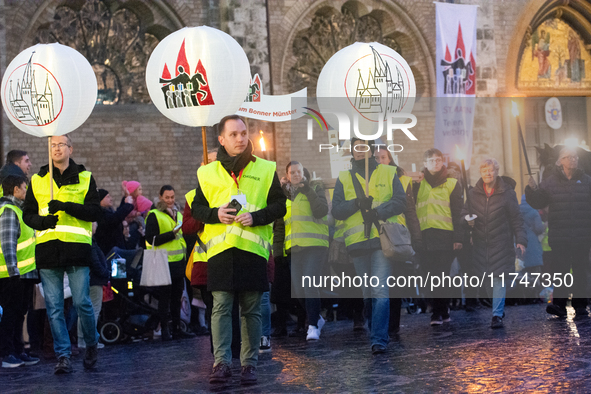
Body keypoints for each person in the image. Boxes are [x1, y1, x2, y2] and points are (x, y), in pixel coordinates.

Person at [192, 115, 286, 385]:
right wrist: (215, 213)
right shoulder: (207, 172)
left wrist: (256, 217)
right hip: (220, 251)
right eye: (233, 134)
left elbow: (279, 205)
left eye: (244, 133)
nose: (240, 138)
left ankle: (249, 364)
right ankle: (221, 362)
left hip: (252, 250)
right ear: (221, 139)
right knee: (221, 307)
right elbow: (197, 208)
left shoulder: (266, 168)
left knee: (251, 310)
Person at [22, 134, 102, 374]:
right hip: (48, 251)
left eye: (61, 145)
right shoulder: (38, 180)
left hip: (77, 250)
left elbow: (94, 212)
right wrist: (42, 221)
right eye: (52, 145)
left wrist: (66, 206)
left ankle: (91, 343)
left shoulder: (85, 177)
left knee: (82, 302)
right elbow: (28, 214)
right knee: (54, 307)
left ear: (70, 148)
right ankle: (63, 355)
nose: (56, 149)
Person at [332, 138, 406, 355]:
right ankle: (376, 331)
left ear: (371, 150)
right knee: (367, 293)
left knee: (380, 290)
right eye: (355, 147)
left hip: (382, 240)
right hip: (357, 243)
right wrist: (355, 204)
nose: (359, 151)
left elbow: (400, 201)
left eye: (363, 147)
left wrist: (378, 212)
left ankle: (379, 339)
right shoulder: (344, 177)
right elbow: (336, 209)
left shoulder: (387, 172)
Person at [525, 147, 591, 317]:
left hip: (582, 235)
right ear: (560, 161)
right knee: (560, 272)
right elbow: (538, 201)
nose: (572, 160)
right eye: (568, 157)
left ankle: (581, 305)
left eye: (575, 157)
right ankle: (559, 305)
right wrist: (531, 191)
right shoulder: (550, 182)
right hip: (560, 236)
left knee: (580, 271)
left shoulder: (586, 181)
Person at [461, 159, 527, 328]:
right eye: (484, 171)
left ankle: (496, 315)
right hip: (480, 244)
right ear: (480, 174)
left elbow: (516, 219)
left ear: (497, 172)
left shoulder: (507, 193)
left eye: (491, 170)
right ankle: (498, 307)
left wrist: (520, 240)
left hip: (501, 243)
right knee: (487, 281)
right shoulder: (473, 194)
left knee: (498, 278)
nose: (488, 174)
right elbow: (464, 214)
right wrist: (467, 220)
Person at [373, 149, 422, 333]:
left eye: (383, 157)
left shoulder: (402, 179)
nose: (380, 161)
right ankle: (379, 325)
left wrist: (416, 238)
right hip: (374, 235)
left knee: (394, 284)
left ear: (390, 159)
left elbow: (410, 211)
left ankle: (392, 326)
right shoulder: (366, 178)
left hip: (396, 236)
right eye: (376, 158)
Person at [414, 148, 463, 326]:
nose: (435, 163)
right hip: (425, 237)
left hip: (445, 236)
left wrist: (458, 238)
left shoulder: (452, 183)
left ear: (442, 162)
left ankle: (440, 311)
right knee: (429, 276)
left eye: (438, 160)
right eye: (431, 160)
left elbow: (458, 213)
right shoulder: (417, 183)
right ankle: (439, 310)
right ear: (425, 164)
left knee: (442, 276)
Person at [285, 161, 329, 341]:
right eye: (292, 172)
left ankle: (312, 327)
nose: (296, 174)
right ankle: (316, 318)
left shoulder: (315, 188)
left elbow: (321, 211)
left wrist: (307, 190)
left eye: (299, 171)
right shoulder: (286, 195)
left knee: (310, 286)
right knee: (298, 289)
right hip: (294, 247)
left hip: (314, 244)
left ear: (304, 173)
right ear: (287, 175)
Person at [0, 175, 39, 368]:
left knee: (18, 314)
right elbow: (7, 243)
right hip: (11, 275)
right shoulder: (8, 211)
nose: (27, 191)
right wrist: (13, 271)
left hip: (23, 273)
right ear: (15, 190)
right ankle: (7, 353)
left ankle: (18, 350)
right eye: (25, 188)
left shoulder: (18, 210)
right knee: (10, 313)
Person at [145, 185, 193, 341]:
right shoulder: (154, 215)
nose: (170, 200)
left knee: (177, 297)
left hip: (179, 262)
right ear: (160, 197)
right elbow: (151, 239)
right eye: (167, 197)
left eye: (172, 197)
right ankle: (165, 330)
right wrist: (172, 234)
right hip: (163, 262)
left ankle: (177, 328)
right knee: (165, 298)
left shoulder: (178, 214)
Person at [78, 223, 110, 349]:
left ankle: (82, 339)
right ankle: (89, 340)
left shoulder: (85, 241)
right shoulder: (90, 242)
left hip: (89, 279)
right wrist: (105, 273)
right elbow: (95, 262)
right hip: (95, 280)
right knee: (93, 310)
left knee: (85, 310)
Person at [94, 189, 134, 255]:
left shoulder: (109, 211)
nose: (111, 199)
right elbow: (115, 219)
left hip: (117, 249)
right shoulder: (100, 214)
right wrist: (127, 205)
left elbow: (117, 214)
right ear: (100, 200)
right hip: (109, 252)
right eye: (107, 197)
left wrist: (125, 198)